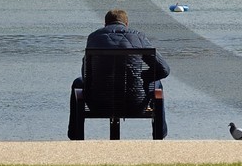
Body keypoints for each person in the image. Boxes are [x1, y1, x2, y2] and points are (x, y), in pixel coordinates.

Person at [67, 9, 171, 140]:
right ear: (126, 23)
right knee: (157, 85)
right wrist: (143, 77)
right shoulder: (139, 37)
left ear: (105, 24)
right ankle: (160, 135)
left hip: (99, 104)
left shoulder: (94, 37)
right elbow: (164, 70)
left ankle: (74, 135)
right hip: (134, 104)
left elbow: (86, 75)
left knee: (78, 82)